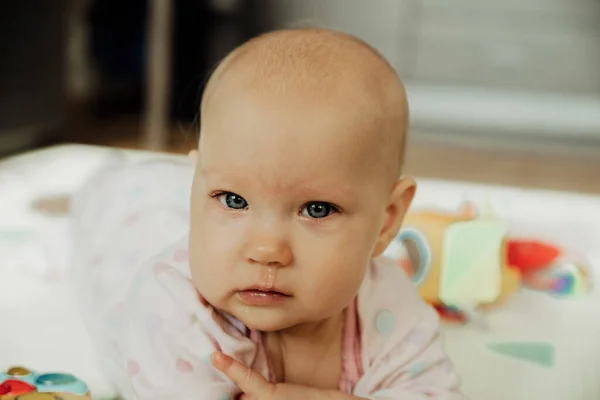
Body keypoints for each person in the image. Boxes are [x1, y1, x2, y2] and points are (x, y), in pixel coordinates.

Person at [72, 28, 467, 399]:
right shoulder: (174, 311)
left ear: (387, 221)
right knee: (119, 194)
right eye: (232, 199)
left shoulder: (389, 312)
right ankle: (129, 176)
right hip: (128, 218)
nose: (266, 249)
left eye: (316, 209)